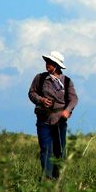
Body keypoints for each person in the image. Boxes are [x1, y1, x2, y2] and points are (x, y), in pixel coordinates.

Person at [28, 51, 78, 180]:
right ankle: (47, 177)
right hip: (43, 119)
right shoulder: (40, 78)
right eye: (46, 62)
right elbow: (32, 93)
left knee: (59, 150)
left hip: (59, 120)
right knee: (45, 148)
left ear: (56, 65)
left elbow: (73, 99)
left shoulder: (66, 82)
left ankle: (57, 177)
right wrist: (41, 100)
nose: (47, 65)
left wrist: (67, 110)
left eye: (50, 63)